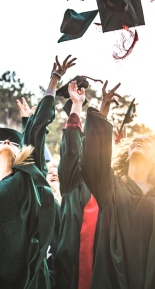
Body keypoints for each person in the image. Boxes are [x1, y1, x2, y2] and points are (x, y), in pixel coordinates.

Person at [0, 55, 72, 288]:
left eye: (14, 143)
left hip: (29, 278)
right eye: (2, 142)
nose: (8, 143)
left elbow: (36, 131)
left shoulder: (27, 178)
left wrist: (53, 82)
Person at [81, 78, 155, 288]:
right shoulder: (110, 186)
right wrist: (102, 114)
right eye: (134, 141)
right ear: (126, 155)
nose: (138, 140)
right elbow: (92, 163)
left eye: (147, 141)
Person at [53, 80, 102, 289]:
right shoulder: (74, 184)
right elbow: (72, 149)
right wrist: (76, 105)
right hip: (70, 273)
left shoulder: (108, 190)